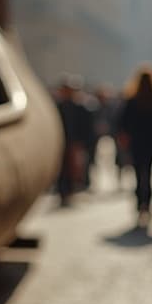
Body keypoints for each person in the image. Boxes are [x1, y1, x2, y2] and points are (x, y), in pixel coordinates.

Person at [118, 65, 152, 227]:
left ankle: (140, 204)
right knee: (149, 172)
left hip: (137, 142)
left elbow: (123, 123)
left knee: (138, 174)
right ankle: (147, 204)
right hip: (151, 142)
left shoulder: (132, 101)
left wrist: (125, 138)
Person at [54, 75, 93, 206]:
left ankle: (71, 190)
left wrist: (82, 142)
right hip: (61, 142)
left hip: (74, 143)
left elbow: (86, 127)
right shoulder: (57, 106)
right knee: (62, 168)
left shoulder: (81, 107)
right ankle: (63, 191)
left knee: (74, 169)